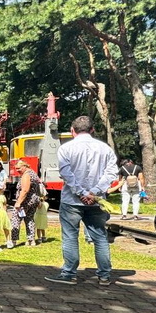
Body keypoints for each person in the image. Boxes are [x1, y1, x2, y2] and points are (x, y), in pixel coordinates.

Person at [46, 116, 118, 286]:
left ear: (72, 130)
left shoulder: (66, 149)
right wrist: (94, 192)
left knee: (70, 236)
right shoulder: (105, 148)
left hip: (71, 200)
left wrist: (81, 193)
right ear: (92, 130)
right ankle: (105, 276)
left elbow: (66, 173)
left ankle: (69, 273)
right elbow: (111, 173)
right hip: (96, 201)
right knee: (100, 236)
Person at [9, 162, 43, 248]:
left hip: (25, 201)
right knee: (29, 219)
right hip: (34, 200)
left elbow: (25, 190)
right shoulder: (33, 173)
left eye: (19, 168)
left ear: (24, 166)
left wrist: (18, 202)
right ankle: (31, 240)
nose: (17, 170)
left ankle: (13, 241)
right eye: (16, 169)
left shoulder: (26, 175)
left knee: (15, 219)